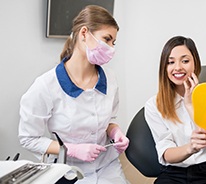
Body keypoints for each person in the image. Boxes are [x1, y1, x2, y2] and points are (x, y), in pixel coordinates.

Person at [18, 5, 129, 184]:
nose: (111, 48)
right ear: (84, 33)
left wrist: (115, 132)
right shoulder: (46, 86)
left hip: (106, 167)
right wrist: (71, 149)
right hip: (67, 170)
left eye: (113, 42)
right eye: (106, 39)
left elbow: (109, 120)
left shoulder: (110, 79)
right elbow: (28, 139)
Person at [144, 36, 206, 184]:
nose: (177, 67)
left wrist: (191, 106)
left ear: (195, 63)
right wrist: (190, 148)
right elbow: (167, 154)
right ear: (164, 68)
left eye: (185, 61)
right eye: (171, 62)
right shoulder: (154, 105)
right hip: (172, 173)